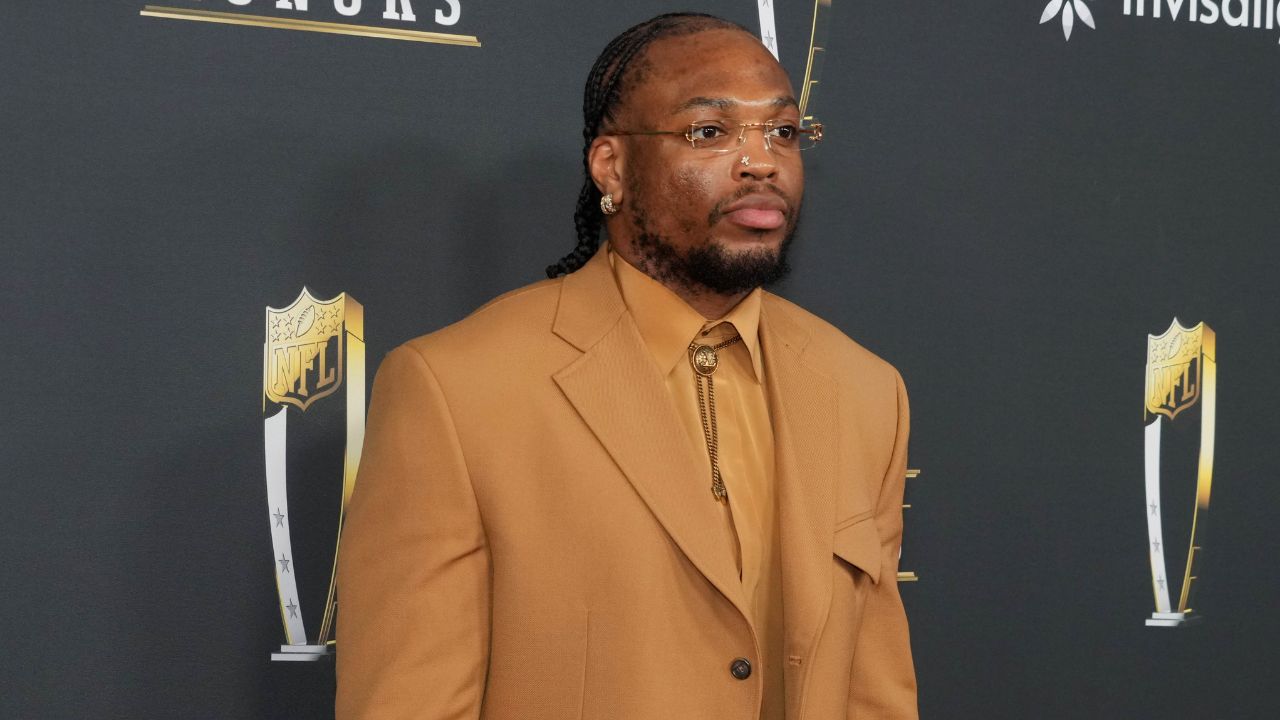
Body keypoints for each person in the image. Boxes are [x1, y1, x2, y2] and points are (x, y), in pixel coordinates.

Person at [336, 12, 916, 720]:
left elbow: (873, 692)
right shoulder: (455, 390)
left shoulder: (866, 390)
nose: (761, 161)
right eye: (710, 132)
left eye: (783, 132)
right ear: (611, 166)